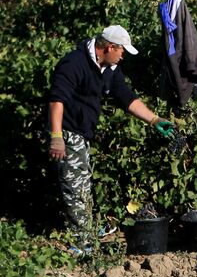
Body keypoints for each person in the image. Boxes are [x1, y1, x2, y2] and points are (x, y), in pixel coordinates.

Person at [45, 25, 175, 255]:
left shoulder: (110, 68)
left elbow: (125, 97)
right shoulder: (74, 64)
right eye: (122, 50)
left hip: (83, 133)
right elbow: (57, 100)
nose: (123, 55)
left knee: (83, 184)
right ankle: (81, 244)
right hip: (67, 131)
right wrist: (56, 137)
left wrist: (154, 120)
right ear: (109, 47)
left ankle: (86, 235)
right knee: (76, 187)